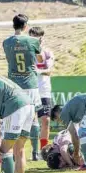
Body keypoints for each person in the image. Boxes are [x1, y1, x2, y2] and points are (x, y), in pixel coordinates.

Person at [3, 14, 42, 161]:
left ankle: (13, 151)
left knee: (14, 117)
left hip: (14, 85)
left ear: (13, 25)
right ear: (26, 26)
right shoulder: (32, 41)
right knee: (33, 120)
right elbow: (41, 58)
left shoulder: (6, 42)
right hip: (30, 84)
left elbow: (9, 59)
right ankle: (34, 152)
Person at [29, 26, 55, 157]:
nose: (35, 39)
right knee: (32, 122)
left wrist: (37, 71)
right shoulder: (27, 53)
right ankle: (34, 151)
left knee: (46, 120)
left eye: (37, 37)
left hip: (44, 91)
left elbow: (49, 71)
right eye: (32, 37)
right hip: (30, 90)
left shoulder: (48, 53)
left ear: (41, 38)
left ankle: (43, 151)